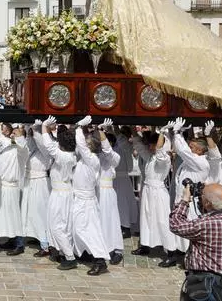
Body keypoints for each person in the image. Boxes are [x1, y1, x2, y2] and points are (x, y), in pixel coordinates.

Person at [170, 183, 222, 301]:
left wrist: (185, 200)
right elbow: (217, 213)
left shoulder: (206, 224)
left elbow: (175, 224)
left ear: (207, 203)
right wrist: (211, 191)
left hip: (208, 284)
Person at [130, 122, 178, 267]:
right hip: (148, 190)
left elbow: (160, 153)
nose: (149, 147)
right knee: (146, 218)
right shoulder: (150, 157)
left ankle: (171, 252)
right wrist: (130, 125)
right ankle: (145, 245)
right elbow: (138, 144)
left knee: (162, 221)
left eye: (152, 145)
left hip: (158, 192)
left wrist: (162, 134)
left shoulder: (163, 159)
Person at [32, 117, 76, 270]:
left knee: (57, 226)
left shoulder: (63, 156)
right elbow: (53, 145)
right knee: (63, 226)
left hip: (60, 194)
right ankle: (64, 252)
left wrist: (44, 126)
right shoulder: (71, 155)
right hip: (64, 192)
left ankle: (69, 256)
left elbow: (49, 146)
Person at [72, 116, 111, 275]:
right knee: (78, 229)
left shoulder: (92, 160)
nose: (83, 147)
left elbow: (80, 144)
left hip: (86, 201)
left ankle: (100, 261)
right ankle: (87, 253)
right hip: (80, 199)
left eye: (87, 145)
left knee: (88, 230)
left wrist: (79, 127)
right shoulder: (84, 160)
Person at [171, 117, 211, 257]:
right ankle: (181, 253)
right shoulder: (191, 161)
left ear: (200, 150)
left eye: (192, 147)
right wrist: (180, 134)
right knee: (180, 226)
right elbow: (185, 151)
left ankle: (192, 255)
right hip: (182, 199)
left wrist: (176, 133)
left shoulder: (201, 163)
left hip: (192, 203)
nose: (190, 149)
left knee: (189, 229)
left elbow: (183, 152)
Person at [0, 123, 28, 256]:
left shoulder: (21, 151)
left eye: (15, 133)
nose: (12, 135)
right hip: (0, 184)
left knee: (13, 215)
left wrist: (18, 131)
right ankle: (11, 239)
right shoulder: (4, 144)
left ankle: (19, 244)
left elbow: (21, 144)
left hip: (11, 186)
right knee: (4, 215)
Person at [21, 122, 52, 257]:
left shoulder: (47, 151)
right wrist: (28, 131)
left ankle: (45, 245)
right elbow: (29, 145)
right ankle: (36, 236)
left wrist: (36, 129)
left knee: (40, 214)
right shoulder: (34, 151)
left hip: (40, 184)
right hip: (30, 182)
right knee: (30, 213)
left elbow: (41, 143)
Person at [96, 120, 124, 265]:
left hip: (107, 192)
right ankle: (100, 248)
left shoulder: (114, 157)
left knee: (111, 220)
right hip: (96, 192)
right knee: (98, 222)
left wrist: (101, 131)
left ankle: (117, 249)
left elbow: (107, 150)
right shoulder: (97, 155)